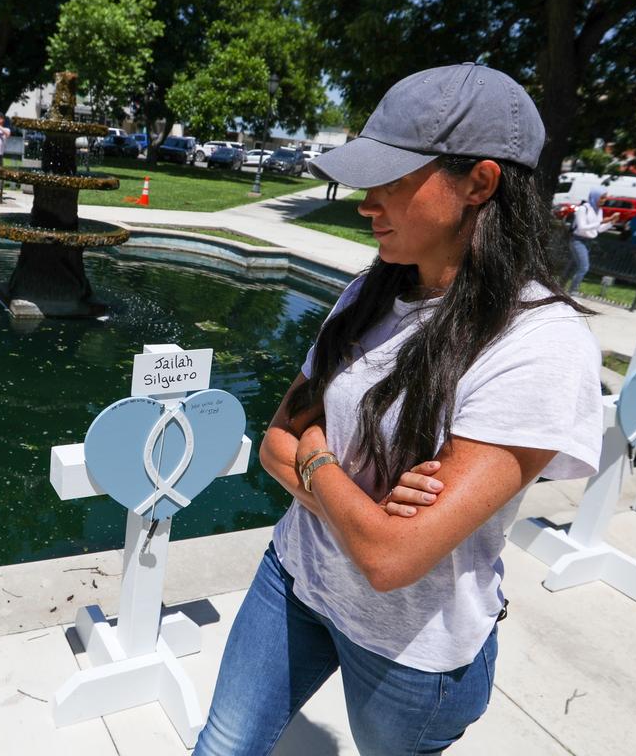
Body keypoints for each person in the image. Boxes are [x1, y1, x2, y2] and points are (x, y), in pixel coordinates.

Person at [194, 63, 603, 756]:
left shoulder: (540, 345)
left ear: (480, 182)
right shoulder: (368, 293)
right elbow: (272, 444)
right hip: (294, 580)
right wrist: (365, 509)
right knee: (222, 747)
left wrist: (318, 452)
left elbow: (391, 560)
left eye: (393, 181)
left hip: (409, 649)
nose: (365, 203)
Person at [567, 188, 619, 294]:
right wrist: (602, 221)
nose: (604, 200)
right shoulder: (583, 209)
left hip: (588, 242)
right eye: (602, 197)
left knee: (575, 266)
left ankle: (562, 287)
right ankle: (573, 290)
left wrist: (611, 223)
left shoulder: (599, 210)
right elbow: (582, 227)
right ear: (595, 196)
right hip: (578, 240)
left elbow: (597, 229)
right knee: (584, 267)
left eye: (605, 198)